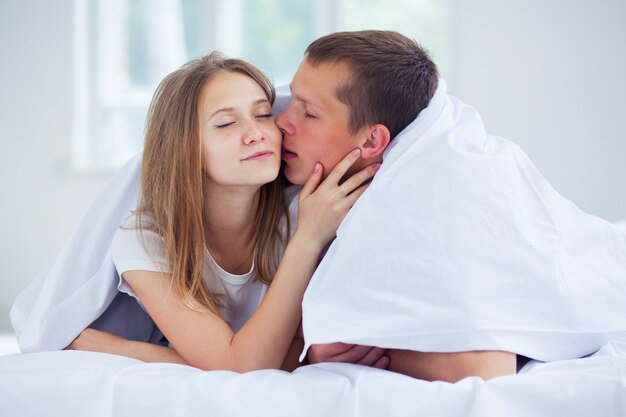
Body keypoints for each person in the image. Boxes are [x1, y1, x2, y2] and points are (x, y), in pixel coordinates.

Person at [277, 30, 626, 383]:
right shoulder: (287, 163)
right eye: (293, 98)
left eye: (308, 113)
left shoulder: (439, 185)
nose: (281, 121)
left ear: (372, 140)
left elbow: (483, 371)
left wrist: (361, 339)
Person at [66, 52, 382, 372]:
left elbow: (281, 355)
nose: (256, 133)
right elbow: (240, 365)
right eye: (227, 123)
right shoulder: (145, 238)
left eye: (262, 115)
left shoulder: (309, 210)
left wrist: (121, 350)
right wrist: (307, 241)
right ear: (185, 147)